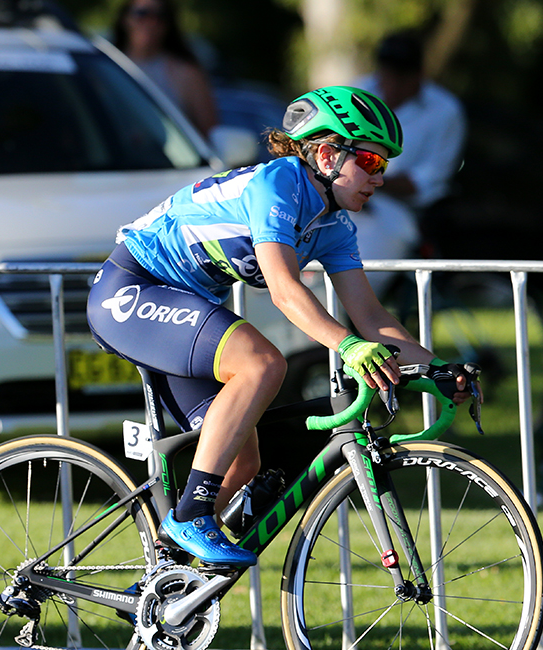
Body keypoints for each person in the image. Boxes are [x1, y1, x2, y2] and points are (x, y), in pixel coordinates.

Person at [87, 86, 477, 566]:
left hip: (183, 304)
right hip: (132, 289)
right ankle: (190, 516)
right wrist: (348, 346)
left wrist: (437, 368)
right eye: (373, 162)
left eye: (385, 167)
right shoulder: (278, 186)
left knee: (244, 462)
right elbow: (285, 290)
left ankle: (161, 585)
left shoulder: (333, 225)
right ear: (329, 154)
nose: (380, 178)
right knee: (262, 363)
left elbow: (373, 318)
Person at [354, 31, 466, 215]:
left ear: (418, 75)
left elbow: (428, 181)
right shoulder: (357, 92)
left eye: (401, 75)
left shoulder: (446, 110)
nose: (393, 82)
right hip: (346, 197)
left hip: (402, 211)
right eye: (388, 72)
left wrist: (366, 177)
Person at [111, 0, 219, 137]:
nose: (151, 22)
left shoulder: (186, 73)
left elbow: (211, 133)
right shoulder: (104, 65)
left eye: (161, 16)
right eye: (142, 13)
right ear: (125, 18)